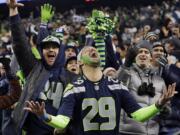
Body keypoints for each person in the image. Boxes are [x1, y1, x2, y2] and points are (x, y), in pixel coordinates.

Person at [24, 46, 176, 135]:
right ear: (80, 62)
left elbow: (139, 115)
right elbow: (62, 123)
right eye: (87, 50)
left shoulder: (117, 85)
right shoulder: (73, 89)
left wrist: (159, 104)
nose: (92, 49)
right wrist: (45, 116)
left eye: (94, 49)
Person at [7, 0, 68, 134]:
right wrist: (13, 14)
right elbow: (20, 45)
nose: (50, 50)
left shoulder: (70, 76)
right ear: (41, 51)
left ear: (61, 51)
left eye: (54, 47)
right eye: (46, 47)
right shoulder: (34, 68)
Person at [117, 40, 167, 135]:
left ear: (151, 57)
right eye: (140, 52)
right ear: (134, 57)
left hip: (152, 132)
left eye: (146, 52)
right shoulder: (127, 73)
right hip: (127, 131)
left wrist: (164, 108)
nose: (143, 54)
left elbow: (166, 108)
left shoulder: (160, 81)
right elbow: (115, 85)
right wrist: (126, 64)